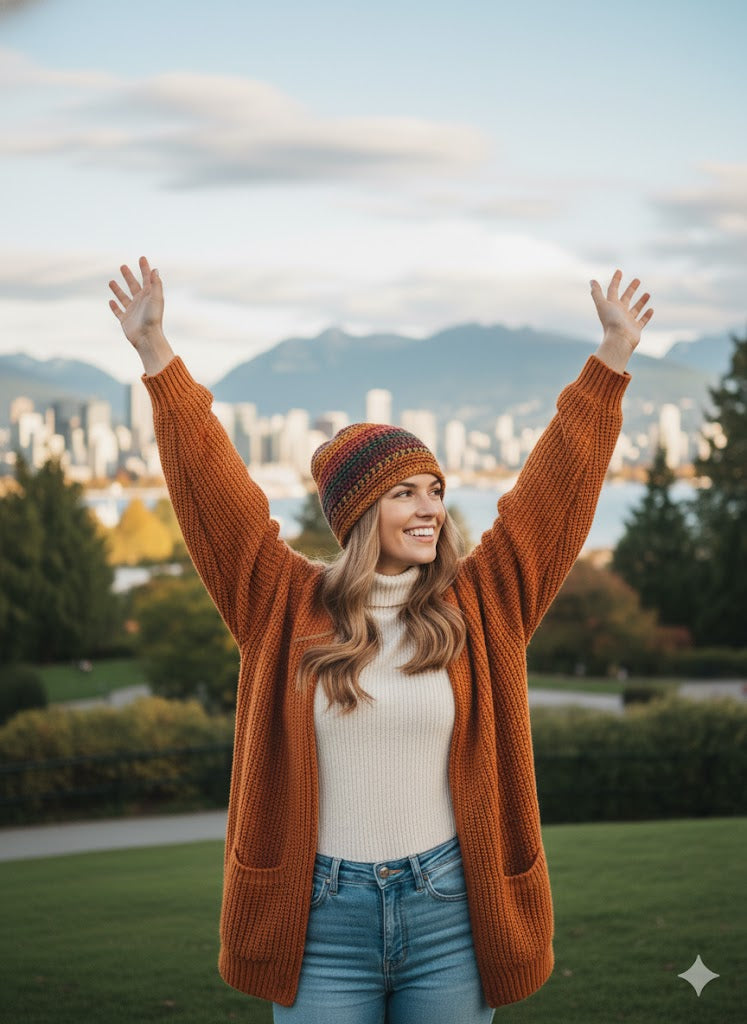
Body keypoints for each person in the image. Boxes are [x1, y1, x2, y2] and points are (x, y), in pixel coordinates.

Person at [108, 258, 653, 1024]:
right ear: (358, 515)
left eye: (433, 490)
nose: (429, 508)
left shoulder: (482, 600)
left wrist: (609, 364)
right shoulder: (281, 601)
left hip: (450, 917)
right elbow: (216, 490)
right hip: (320, 921)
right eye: (404, 493)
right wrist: (158, 357)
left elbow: (550, 492)